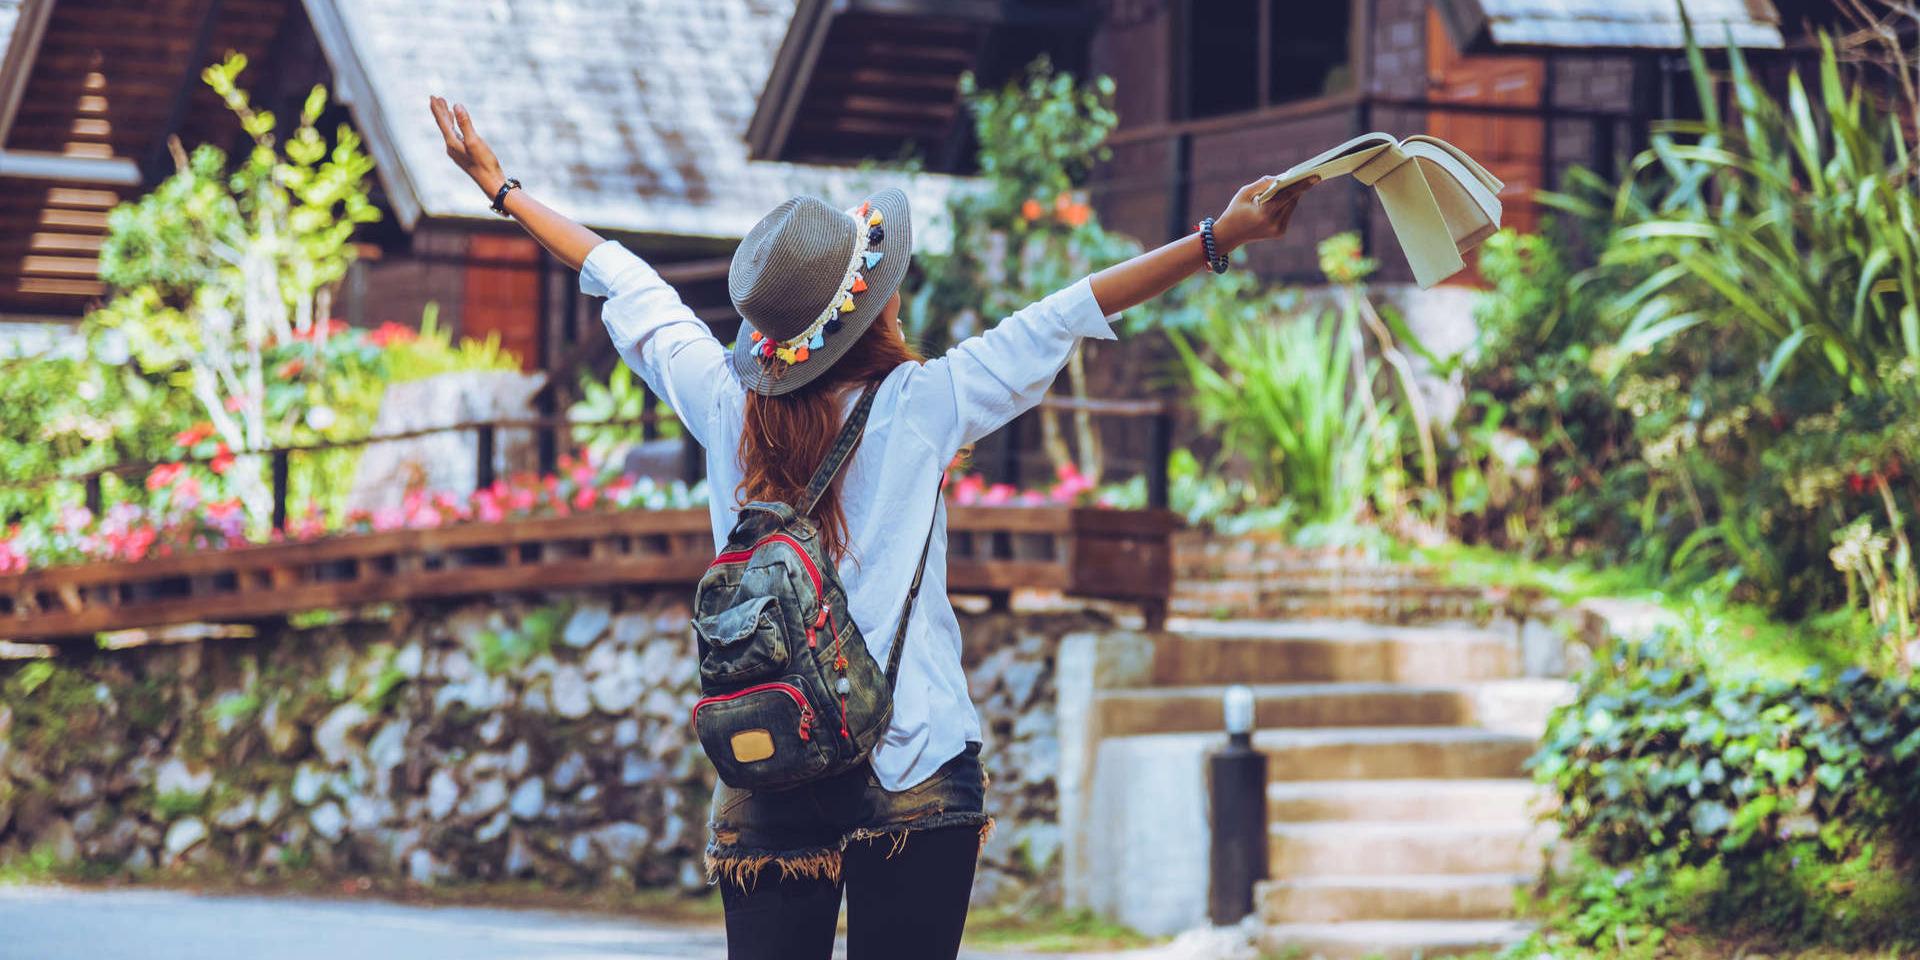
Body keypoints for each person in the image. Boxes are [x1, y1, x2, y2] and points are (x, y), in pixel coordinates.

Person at [429, 95, 1312, 960]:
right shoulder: (924, 403)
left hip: (769, 752)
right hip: (916, 757)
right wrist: (1218, 238)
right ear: (871, 315)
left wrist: (502, 191)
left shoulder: (720, 398)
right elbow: (1067, 311)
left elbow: (626, 281)